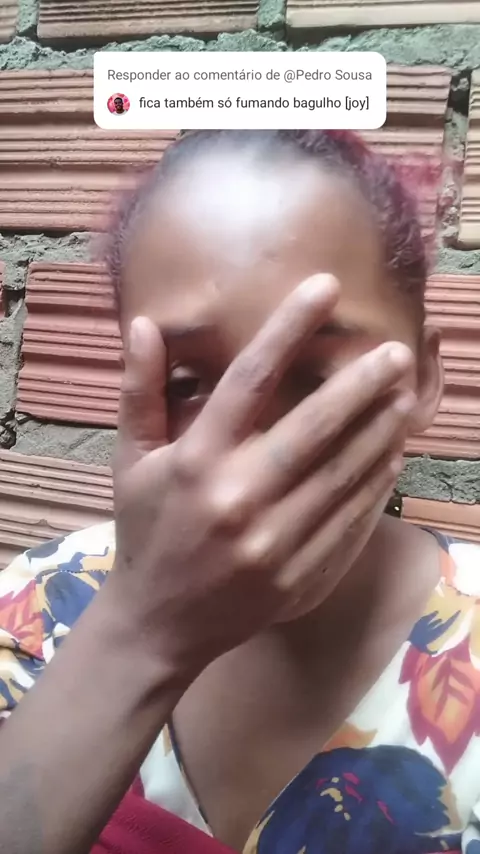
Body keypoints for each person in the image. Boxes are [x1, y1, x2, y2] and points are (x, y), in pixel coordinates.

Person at [0, 129, 478, 854]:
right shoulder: (38, 612)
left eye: (316, 378)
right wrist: (140, 632)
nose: (251, 455)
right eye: (189, 385)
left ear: (424, 379)